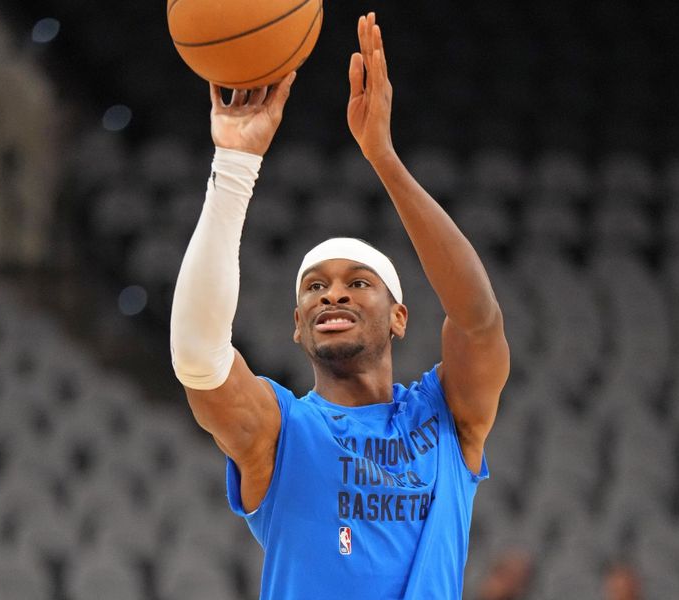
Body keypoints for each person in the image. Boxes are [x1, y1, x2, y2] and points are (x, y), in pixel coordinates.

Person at [170, 12, 510, 600]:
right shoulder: (281, 433)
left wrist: (384, 157)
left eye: (359, 283)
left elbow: (478, 318)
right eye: (314, 287)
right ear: (298, 327)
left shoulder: (447, 418)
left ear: (399, 315)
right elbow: (199, 357)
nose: (332, 293)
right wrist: (234, 166)